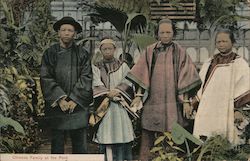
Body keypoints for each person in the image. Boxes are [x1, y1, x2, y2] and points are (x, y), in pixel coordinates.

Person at [126, 19, 202, 160]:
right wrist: (138, 95)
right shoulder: (150, 51)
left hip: (173, 102)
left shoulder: (180, 52)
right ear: (157, 34)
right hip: (153, 101)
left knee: (173, 134)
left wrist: (186, 101)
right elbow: (141, 73)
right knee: (149, 134)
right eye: (162, 32)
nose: (165, 35)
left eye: (168, 32)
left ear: (174, 33)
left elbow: (187, 75)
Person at [40, 16, 93, 154]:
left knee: (80, 146)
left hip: (78, 106)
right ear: (58, 32)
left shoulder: (83, 54)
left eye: (70, 30)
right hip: (58, 106)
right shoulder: (49, 53)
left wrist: (75, 99)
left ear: (75, 33)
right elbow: (46, 77)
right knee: (57, 146)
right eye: (63, 30)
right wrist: (60, 99)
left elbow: (86, 77)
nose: (67, 33)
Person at [193, 29, 250, 145]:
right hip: (208, 107)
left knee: (226, 140)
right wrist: (194, 103)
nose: (221, 44)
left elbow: (244, 86)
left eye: (224, 41)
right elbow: (201, 85)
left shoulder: (239, 63)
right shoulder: (209, 62)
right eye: (218, 42)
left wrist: (238, 110)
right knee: (205, 137)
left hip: (227, 108)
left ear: (232, 42)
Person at [91, 38, 135, 161]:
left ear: (115, 49)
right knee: (106, 135)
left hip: (120, 105)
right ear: (100, 50)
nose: (107, 51)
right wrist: (107, 93)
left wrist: (118, 91)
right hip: (105, 106)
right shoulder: (96, 66)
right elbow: (95, 82)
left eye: (110, 48)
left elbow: (128, 81)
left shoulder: (123, 65)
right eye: (104, 49)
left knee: (121, 134)